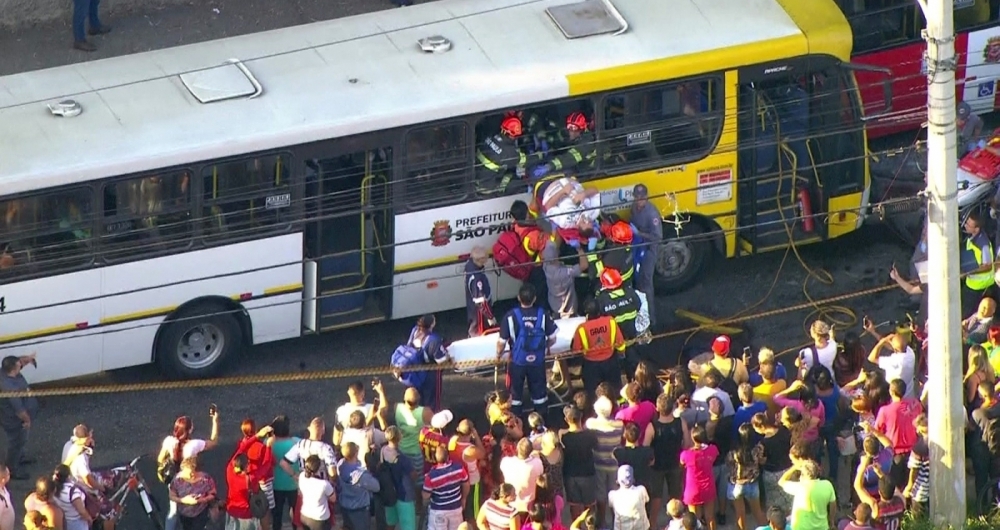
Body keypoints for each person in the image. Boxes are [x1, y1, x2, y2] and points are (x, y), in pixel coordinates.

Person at [496, 283, 558, 415]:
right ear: (534, 298)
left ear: (519, 298)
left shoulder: (510, 316)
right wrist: (544, 347)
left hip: (518, 362)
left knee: (515, 395)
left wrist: (498, 355)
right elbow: (553, 338)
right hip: (537, 362)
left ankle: (516, 422)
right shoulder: (543, 314)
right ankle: (542, 423)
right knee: (540, 395)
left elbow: (501, 342)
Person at [160, 412, 220, 530]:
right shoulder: (194, 445)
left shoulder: (168, 441)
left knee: (173, 510)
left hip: (175, 480)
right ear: (190, 430)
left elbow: (160, 459)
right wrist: (215, 421)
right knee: (197, 505)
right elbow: (214, 441)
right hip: (192, 479)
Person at [571, 299, 626, 396]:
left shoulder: (582, 328)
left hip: (591, 366)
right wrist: (621, 353)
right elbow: (620, 343)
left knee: (594, 394)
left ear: (586, 313)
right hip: (611, 362)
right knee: (616, 390)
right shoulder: (610, 321)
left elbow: (576, 350)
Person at [595, 268, 642, 374]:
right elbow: (638, 306)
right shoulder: (630, 293)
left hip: (614, 342)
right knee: (635, 367)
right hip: (632, 337)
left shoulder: (602, 300)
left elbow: (600, 318)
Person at [0, 352, 38, 480]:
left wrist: (28, 359)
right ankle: (12, 469)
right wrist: (27, 421)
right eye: (18, 366)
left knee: (21, 442)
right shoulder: (9, 387)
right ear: (12, 369)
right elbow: (19, 410)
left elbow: (19, 362)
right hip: (15, 421)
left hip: (15, 418)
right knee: (16, 443)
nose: (21, 366)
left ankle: (20, 457)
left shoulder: (5, 372)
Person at [629, 184, 662, 327]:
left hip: (649, 250)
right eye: (637, 197)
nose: (639, 200)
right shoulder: (634, 208)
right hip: (637, 247)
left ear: (646, 197)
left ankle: (652, 320)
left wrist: (639, 234)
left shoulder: (652, 213)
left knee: (646, 283)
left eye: (642, 198)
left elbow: (657, 237)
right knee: (636, 280)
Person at [540, 227, 589, 317]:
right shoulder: (562, 273)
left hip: (554, 306)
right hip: (568, 308)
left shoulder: (546, 265)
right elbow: (584, 265)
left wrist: (558, 228)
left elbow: (555, 246)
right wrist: (579, 249)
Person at [561, 406, 598, 520]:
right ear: (581, 417)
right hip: (588, 474)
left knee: (574, 506)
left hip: (570, 475)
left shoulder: (564, 438)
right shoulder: (591, 435)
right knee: (590, 505)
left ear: (566, 420)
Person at [475, 116, 527, 196]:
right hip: (486, 188)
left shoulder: (490, 135)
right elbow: (525, 160)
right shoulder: (509, 152)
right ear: (513, 136)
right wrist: (540, 155)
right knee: (515, 179)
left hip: (476, 177)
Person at [777, 460, 835, 530]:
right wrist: (831, 521)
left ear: (802, 475)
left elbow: (781, 481)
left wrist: (794, 467)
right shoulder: (827, 485)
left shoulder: (799, 487)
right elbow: (833, 505)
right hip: (822, 527)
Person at [680, 426, 719, 530]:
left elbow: (681, 463)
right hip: (708, 486)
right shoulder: (712, 449)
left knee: (693, 520)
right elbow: (714, 457)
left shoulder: (686, 454)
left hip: (693, 489)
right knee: (710, 517)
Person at [424, 445, 470, 530]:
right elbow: (466, 484)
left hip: (438, 511)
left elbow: (425, 495)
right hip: (456, 508)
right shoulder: (459, 468)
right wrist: (464, 499)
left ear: (435, 458)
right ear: (448, 456)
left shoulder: (431, 476)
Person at [337, 442, 381, 530]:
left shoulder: (340, 465)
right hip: (359, 511)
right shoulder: (361, 475)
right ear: (356, 453)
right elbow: (376, 487)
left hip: (345, 507)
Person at [382, 426, 418, 530]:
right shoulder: (403, 459)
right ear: (399, 438)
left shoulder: (382, 451)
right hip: (404, 495)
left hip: (389, 494)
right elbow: (413, 475)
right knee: (408, 526)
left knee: (390, 523)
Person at [266, 415, 299, 530]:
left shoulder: (269, 443)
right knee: (296, 516)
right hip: (293, 485)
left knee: (277, 516)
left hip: (276, 485)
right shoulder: (296, 442)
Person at [961, 211, 994, 317]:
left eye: (968, 225)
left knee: (965, 311)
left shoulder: (983, 244)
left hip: (979, 285)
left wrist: (969, 271)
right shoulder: (973, 237)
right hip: (972, 282)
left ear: (976, 229)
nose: (965, 225)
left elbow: (988, 266)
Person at [169, 457, 217, 530]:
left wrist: (203, 500)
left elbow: (213, 493)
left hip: (200, 513)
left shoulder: (206, 479)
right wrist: (183, 500)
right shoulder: (177, 480)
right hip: (184, 514)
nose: (190, 476)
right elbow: (171, 496)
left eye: (192, 473)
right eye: (186, 473)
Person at [498, 439, 542, 514]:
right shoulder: (537, 463)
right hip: (528, 506)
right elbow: (540, 474)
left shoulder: (505, 461)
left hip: (511, 504)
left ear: (517, 449)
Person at [225, 453, 266, 530]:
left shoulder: (229, 471)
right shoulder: (251, 479)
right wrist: (268, 448)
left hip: (231, 512)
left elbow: (239, 449)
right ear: (247, 466)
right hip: (246, 515)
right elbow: (266, 464)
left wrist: (249, 441)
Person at [298, 455, 337, 530]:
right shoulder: (324, 484)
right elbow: (333, 499)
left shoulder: (301, 476)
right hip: (320, 518)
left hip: (305, 514)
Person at [607, 465, 649, 530]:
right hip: (641, 528)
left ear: (617, 481)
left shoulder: (612, 495)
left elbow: (612, 510)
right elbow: (646, 501)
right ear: (633, 479)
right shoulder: (641, 490)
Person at [466, 247, 496, 337]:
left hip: (472, 308)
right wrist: (490, 317)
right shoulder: (476, 277)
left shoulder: (470, 266)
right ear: (481, 260)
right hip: (479, 314)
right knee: (479, 332)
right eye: (486, 258)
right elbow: (481, 301)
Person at [52, 465, 92, 530]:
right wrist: (89, 518)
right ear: (68, 476)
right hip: (76, 523)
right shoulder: (72, 492)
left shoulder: (53, 488)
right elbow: (82, 511)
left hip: (64, 521)